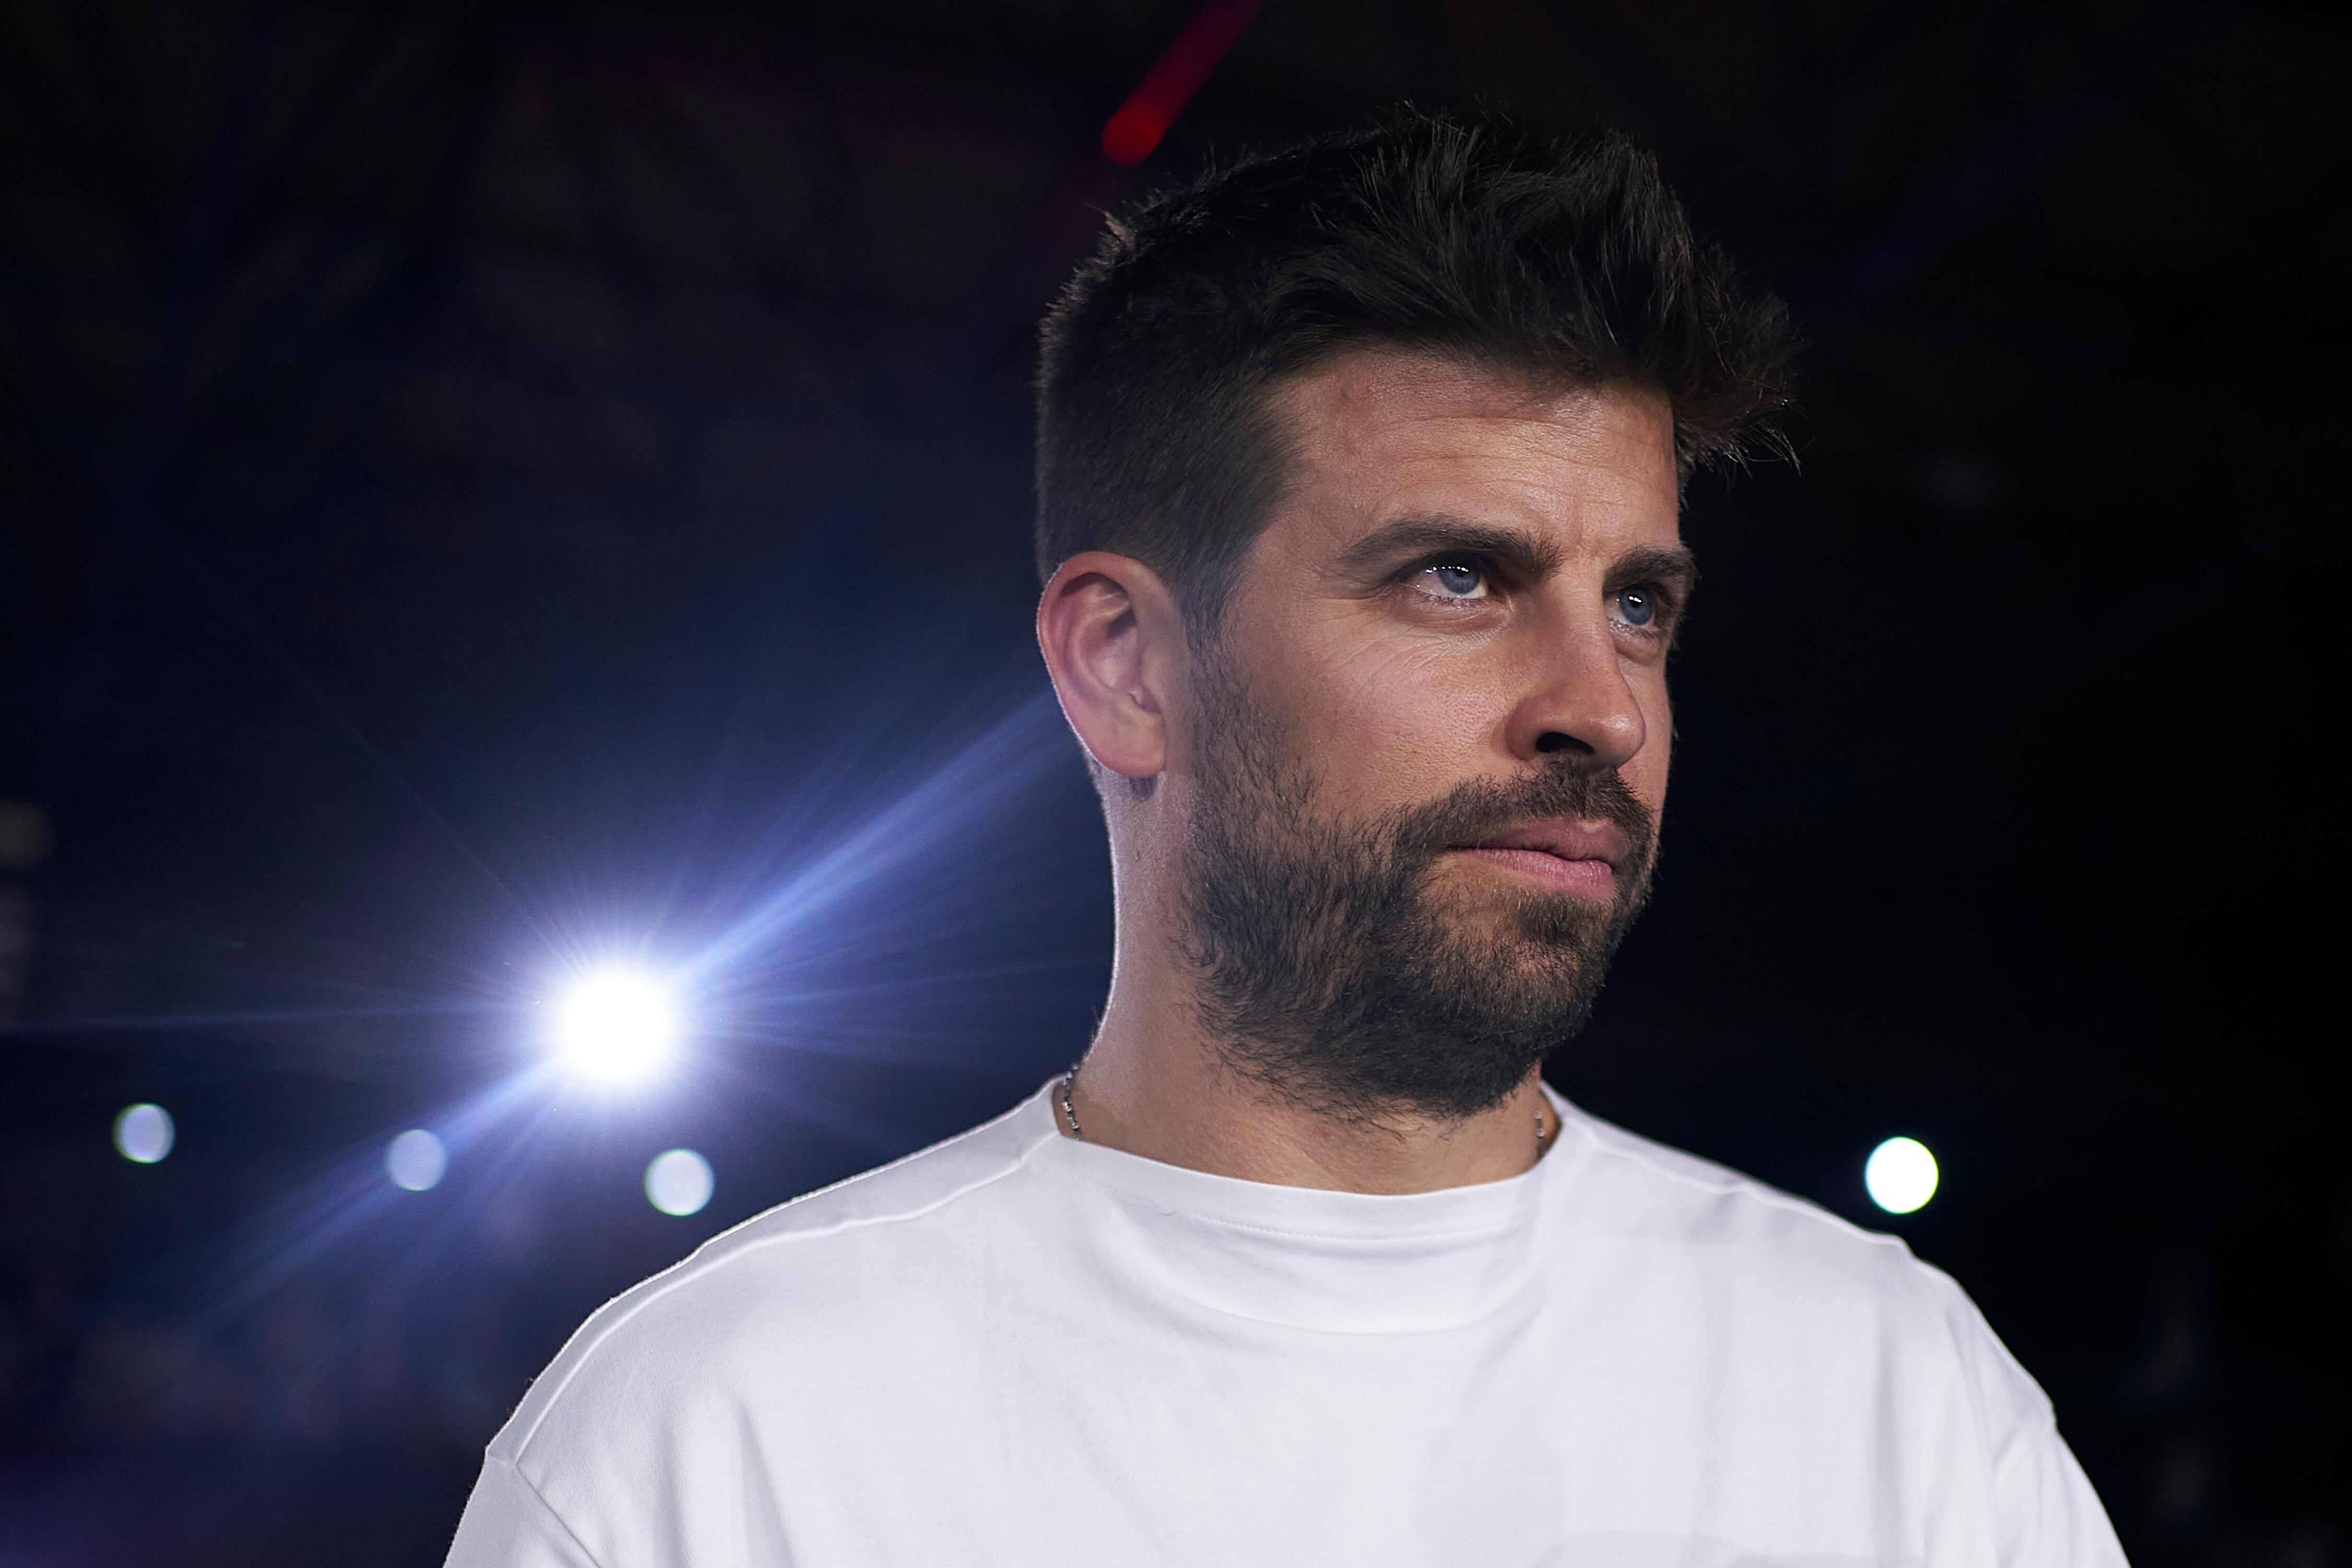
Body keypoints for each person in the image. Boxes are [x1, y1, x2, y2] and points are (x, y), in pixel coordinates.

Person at [444, 113, 2127, 1567]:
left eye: (1636, 605)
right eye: (1457, 578)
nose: (1600, 709)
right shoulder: (720, 1428)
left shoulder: (1892, 1392)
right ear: (1126, 667)